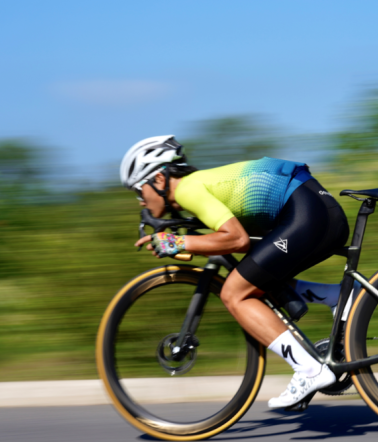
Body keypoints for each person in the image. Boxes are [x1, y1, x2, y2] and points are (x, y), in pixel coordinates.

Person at [120, 135, 350, 408]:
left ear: (158, 179)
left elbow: (235, 239)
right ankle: (336, 296)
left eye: (138, 191)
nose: (140, 202)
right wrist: (182, 242)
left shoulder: (186, 190)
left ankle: (309, 371)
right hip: (317, 210)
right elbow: (231, 240)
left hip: (308, 213)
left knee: (234, 293)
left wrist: (175, 242)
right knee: (259, 277)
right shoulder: (199, 185)